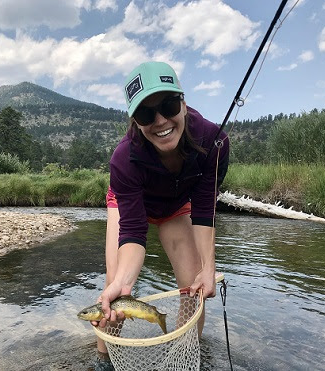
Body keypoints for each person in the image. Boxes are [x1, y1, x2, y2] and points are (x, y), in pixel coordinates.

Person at [92, 61, 229, 369]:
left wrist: (209, 269)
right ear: (136, 122)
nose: (160, 120)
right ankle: (102, 360)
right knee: (115, 288)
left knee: (195, 286)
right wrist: (125, 282)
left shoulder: (213, 140)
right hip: (131, 205)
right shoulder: (123, 160)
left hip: (176, 205)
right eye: (145, 114)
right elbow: (132, 233)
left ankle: (181, 359)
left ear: (183, 101)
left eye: (168, 105)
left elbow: (204, 210)